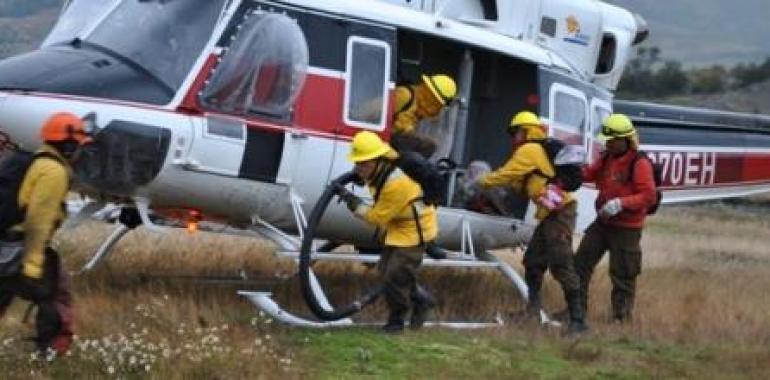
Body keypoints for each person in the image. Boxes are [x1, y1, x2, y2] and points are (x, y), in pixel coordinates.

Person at [476, 111, 587, 334]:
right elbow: (522, 181)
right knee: (533, 262)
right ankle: (532, 312)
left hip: (560, 213)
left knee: (561, 264)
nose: (513, 138)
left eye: (515, 132)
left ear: (526, 131)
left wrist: (481, 181)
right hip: (549, 213)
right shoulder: (536, 151)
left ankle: (578, 320)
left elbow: (507, 174)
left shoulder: (530, 149)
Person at [0, 112, 93, 354]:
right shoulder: (54, 172)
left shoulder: (35, 161)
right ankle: (51, 353)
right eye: (80, 145)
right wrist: (33, 264)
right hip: (22, 248)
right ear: (69, 145)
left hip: (5, 243)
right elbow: (38, 221)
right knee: (57, 297)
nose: (82, 151)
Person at [335, 131, 437, 333]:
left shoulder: (395, 184)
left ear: (377, 160)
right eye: (357, 163)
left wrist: (352, 202)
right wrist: (361, 180)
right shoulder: (381, 169)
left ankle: (396, 322)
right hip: (399, 227)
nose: (358, 168)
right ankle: (422, 299)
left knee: (394, 276)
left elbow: (376, 218)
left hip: (414, 231)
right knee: (387, 273)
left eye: (363, 164)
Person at [575, 114, 657, 323]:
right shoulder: (606, 157)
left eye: (612, 140)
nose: (608, 144)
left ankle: (621, 318)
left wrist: (621, 203)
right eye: (607, 140)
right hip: (603, 223)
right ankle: (575, 311)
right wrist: (572, 168)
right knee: (580, 265)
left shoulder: (639, 163)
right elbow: (588, 174)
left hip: (627, 228)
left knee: (623, 274)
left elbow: (649, 196)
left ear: (625, 140)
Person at [390, 74, 457, 159]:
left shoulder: (419, 109)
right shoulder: (405, 94)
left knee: (429, 145)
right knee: (428, 146)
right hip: (382, 140)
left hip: (394, 143)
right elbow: (374, 111)